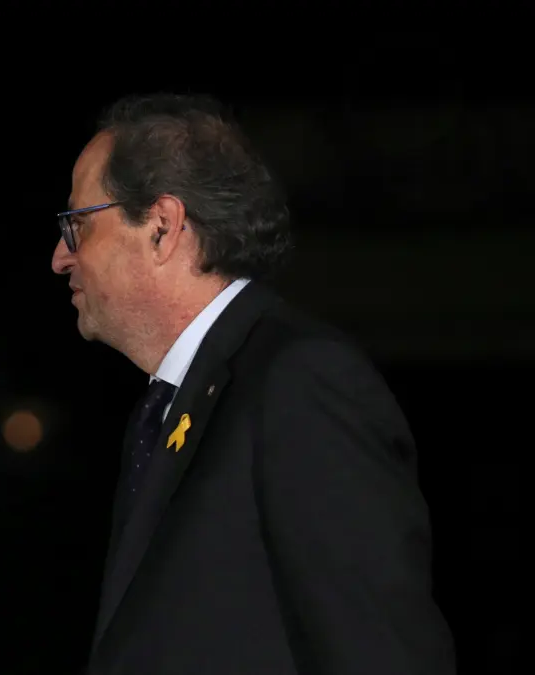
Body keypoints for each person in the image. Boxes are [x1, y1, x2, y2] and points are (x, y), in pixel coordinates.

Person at [43, 93, 456, 674]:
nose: (60, 258)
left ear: (162, 226)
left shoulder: (297, 383)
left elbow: (381, 655)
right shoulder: (168, 407)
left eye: (77, 225)